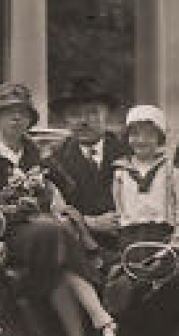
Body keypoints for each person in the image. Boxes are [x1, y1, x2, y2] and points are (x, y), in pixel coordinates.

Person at [0, 82, 118, 336]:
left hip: (33, 227)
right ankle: (100, 311)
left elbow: (65, 184)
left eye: (23, 114)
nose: (17, 119)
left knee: (58, 249)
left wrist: (51, 192)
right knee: (55, 231)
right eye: (9, 113)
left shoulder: (33, 152)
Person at [102, 104, 179, 314]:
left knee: (163, 286)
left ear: (160, 137)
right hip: (131, 237)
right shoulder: (120, 172)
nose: (141, 140)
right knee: (128, 285)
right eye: (134, 134)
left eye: (148, 134)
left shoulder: (172, 171)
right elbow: (117, 206)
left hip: (162, 236)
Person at [46, 75, 128, 244]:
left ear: (107, 115)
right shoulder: (53, 161)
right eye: (74, 114)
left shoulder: (129, 154)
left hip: (126, 242)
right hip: (75, 248)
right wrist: (88, 223)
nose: (83, 121)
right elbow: (49, 215)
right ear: (65, 120)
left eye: (93, 112)